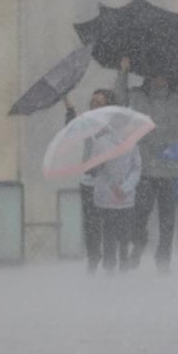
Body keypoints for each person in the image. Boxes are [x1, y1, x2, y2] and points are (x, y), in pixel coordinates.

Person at [114, 56, 178, 272]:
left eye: (163, 75)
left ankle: (163, 259)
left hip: (169, 168)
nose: (159, 79)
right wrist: (123, 72)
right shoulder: (136, 96)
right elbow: (118, 100)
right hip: (143, 167)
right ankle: (138, 245)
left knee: (167, 219)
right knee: (140, 214)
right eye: (155, 75)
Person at [81, 104, 142, 274]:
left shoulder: (132, 144)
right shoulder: (100, 143)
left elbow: (136, 168)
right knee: (108, 234)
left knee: (124, 236)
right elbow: (94, 169)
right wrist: (110, 182)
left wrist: (126, 187)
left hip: (126, 198)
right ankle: (109, 268)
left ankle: (123, 266)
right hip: (106, 198)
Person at [63, 89, 116, 273]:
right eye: (93, 102)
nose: (95, 105)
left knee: (109, 224)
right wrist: (70, 109)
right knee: (91, 224)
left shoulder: (114, 125)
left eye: (99, 103)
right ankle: (93, 257)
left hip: (108, 182)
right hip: (88, 181)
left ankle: (110, 261)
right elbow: (71, 130)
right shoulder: (86, 122)